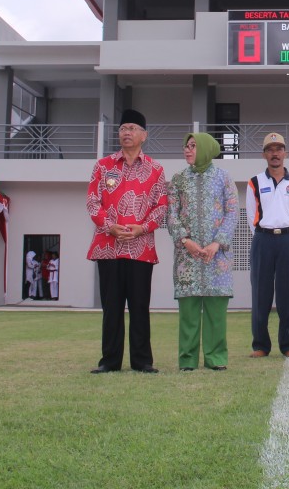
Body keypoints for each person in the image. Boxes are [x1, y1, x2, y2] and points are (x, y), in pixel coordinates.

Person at [86, 108, 168, 374]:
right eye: (123, 129)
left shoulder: (155, 169)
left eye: (132, 128)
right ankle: (109, 361)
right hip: (108, 247)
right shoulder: (103, 166)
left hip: (140, 248)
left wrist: (141, 228)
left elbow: (161, 206)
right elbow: (92, 202)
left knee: (139, 306)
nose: (127, 133)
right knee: (111, 308)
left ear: (143, 135)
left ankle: (142, 361)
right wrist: (110, 227)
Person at [167, 132, 238, 371]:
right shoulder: (178, 179)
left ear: (206, 149)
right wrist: (185, 240)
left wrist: (217, 243)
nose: (187, 150)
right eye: (186, 146)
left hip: (216, 257)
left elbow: (232, 212)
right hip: (187, 257)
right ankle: (187, 360)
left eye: (193, 146)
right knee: (188, 312)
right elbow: (171, 214)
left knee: (216, 313)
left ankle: (216, 358)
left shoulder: (223, 178)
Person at [246, 132, 289, 358]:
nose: (275, 153)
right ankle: (260, 345)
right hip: (262, 239)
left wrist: (285, 233)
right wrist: (266, 233)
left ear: (285, 153)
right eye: (270, 149)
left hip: (288, 239)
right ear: (264, 154)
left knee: (288, 292)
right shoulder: (255, 182)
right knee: (260, 292)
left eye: (279, 149)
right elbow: (252, 216)